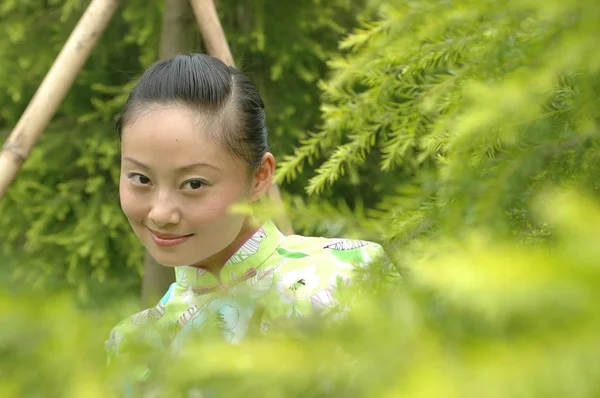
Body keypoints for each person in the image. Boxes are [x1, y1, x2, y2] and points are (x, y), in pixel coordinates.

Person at [105, 53, 392, 387]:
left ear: (259, 177)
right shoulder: (132, 343)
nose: (160, 213)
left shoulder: (347, 275)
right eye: (141, 179)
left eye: (194, 184)